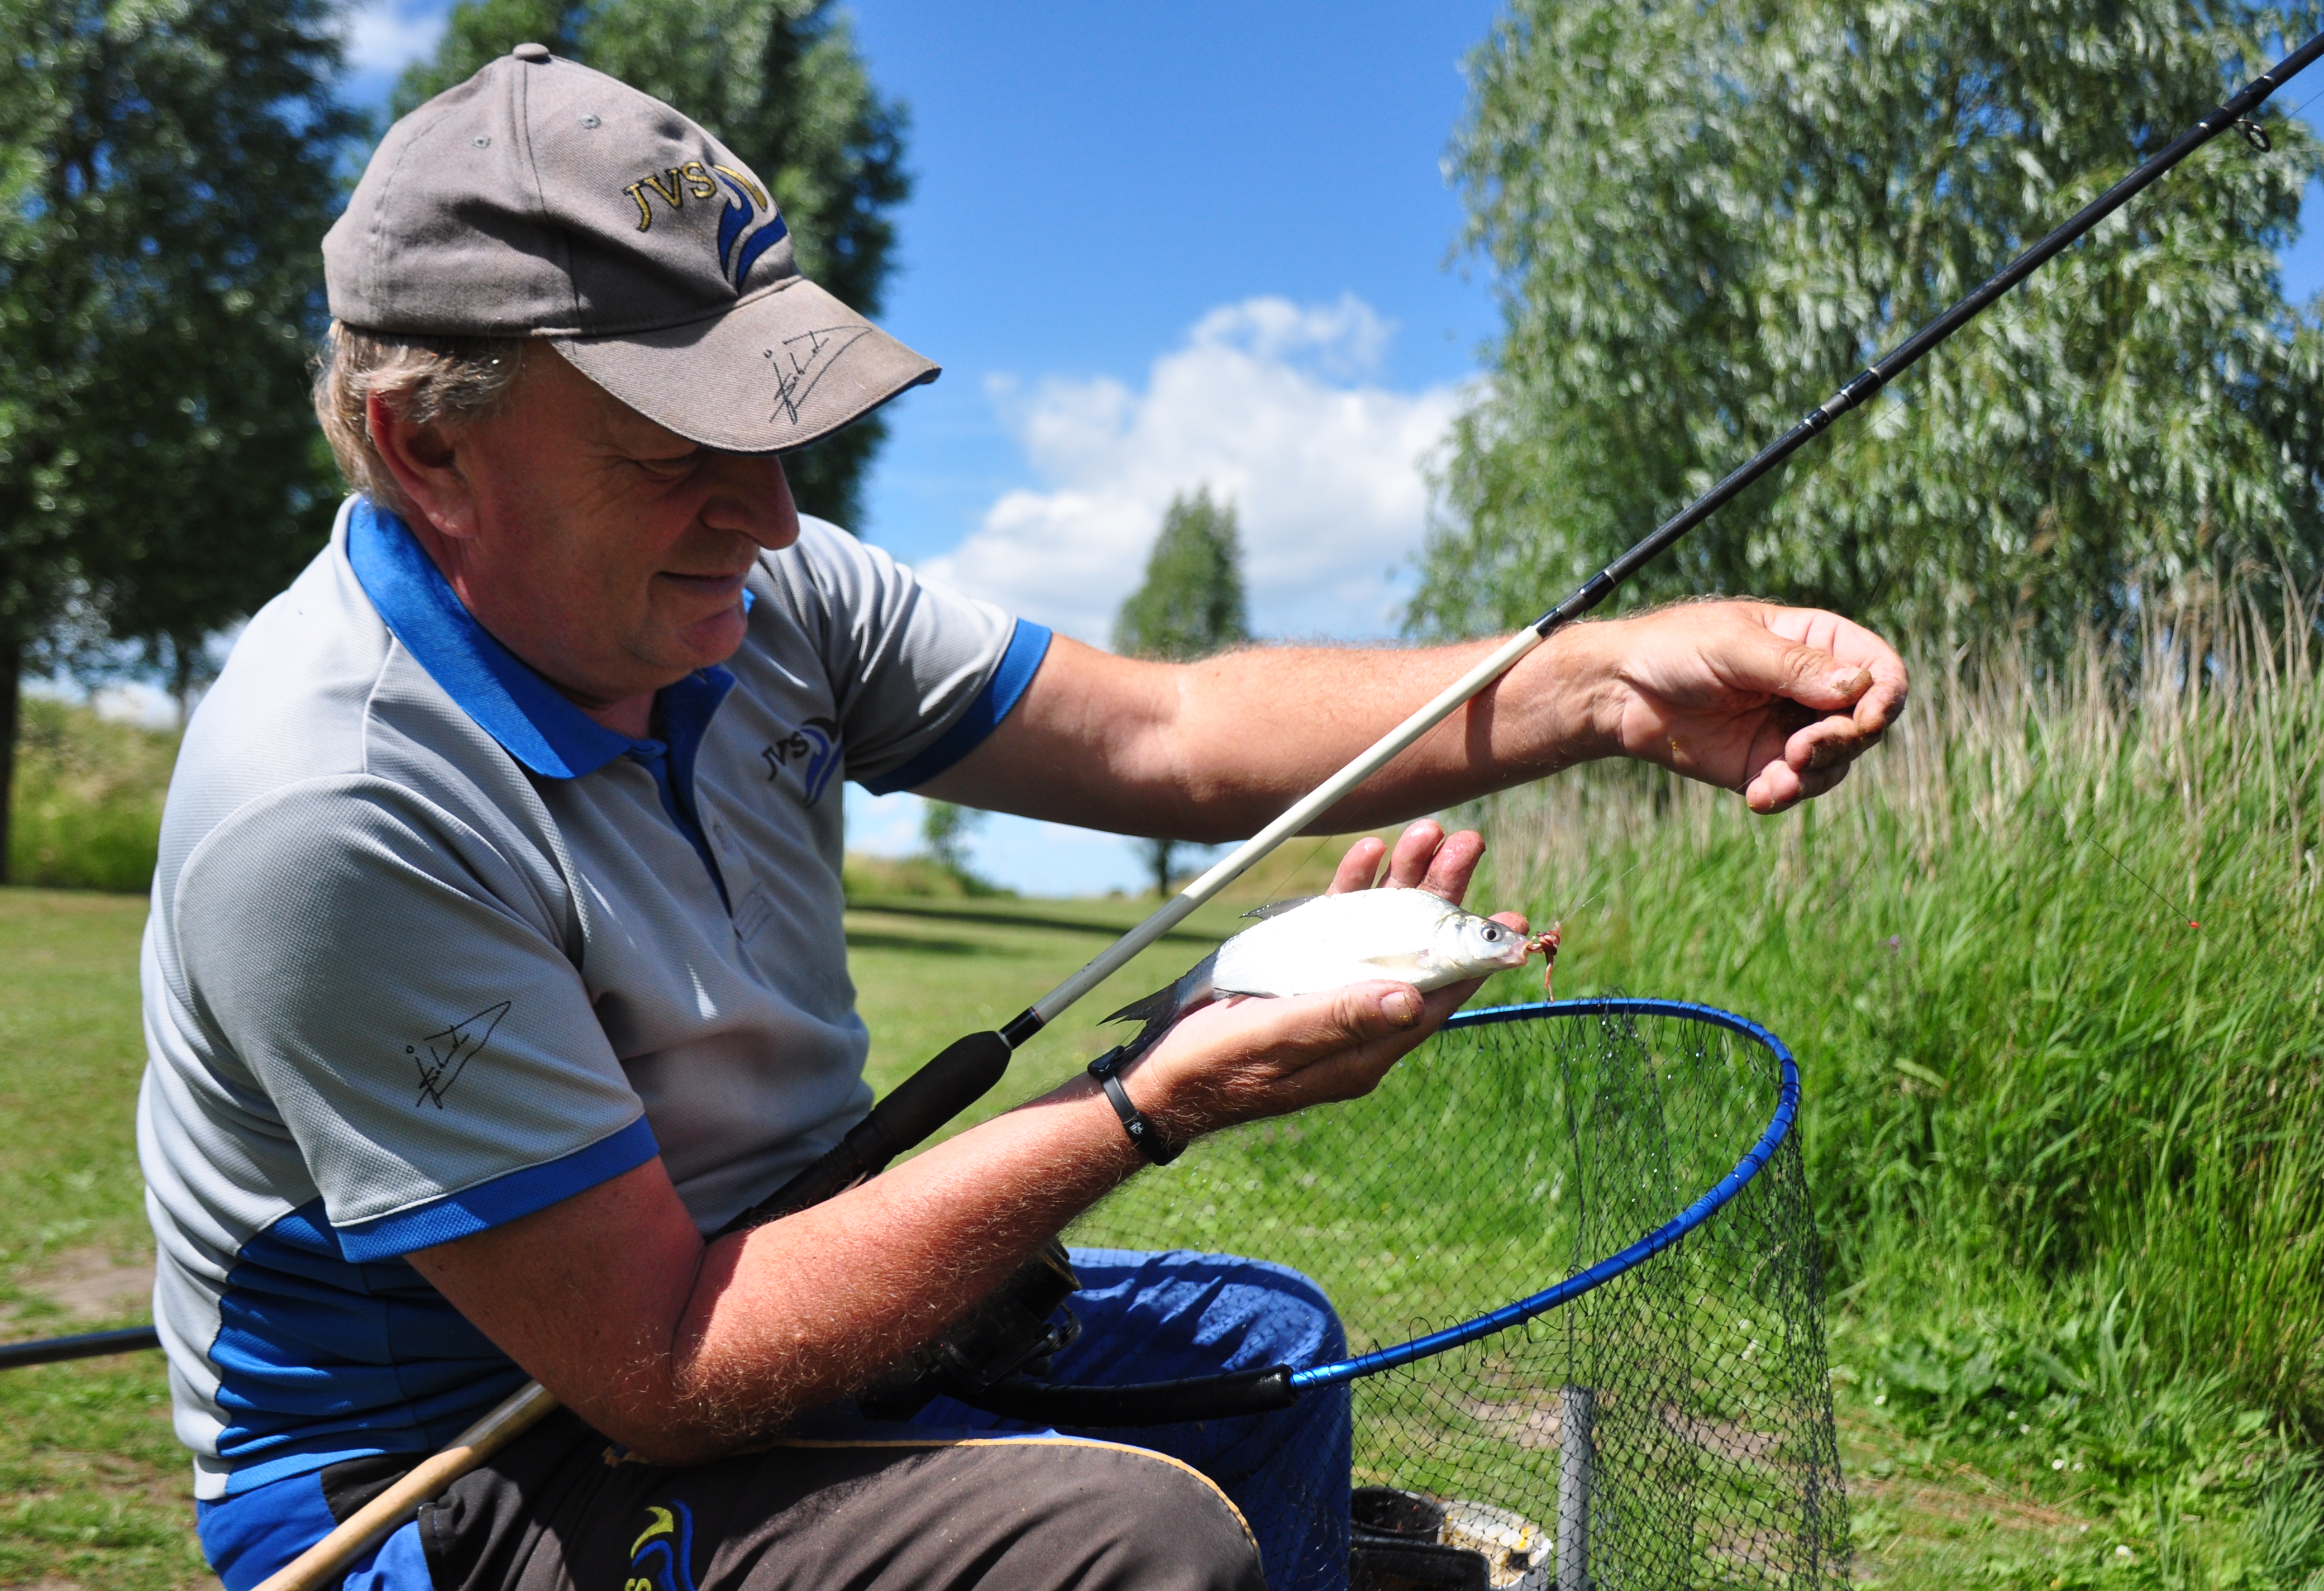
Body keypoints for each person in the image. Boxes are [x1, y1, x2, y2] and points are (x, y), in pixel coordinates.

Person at [136, 46, 1908, 1591]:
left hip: (723, 1322)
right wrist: (1148, 1101)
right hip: (456, 1482)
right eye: (675, 447)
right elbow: (666, 1366)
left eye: (782, 427)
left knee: (1258, 1352)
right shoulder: (338, 803)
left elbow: (1170, 731)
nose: (769, 515)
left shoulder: (769, 592)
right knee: (1139, 1547)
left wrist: (1606, 686)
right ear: (426, 444)